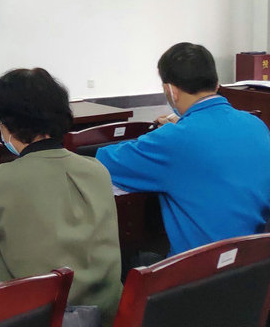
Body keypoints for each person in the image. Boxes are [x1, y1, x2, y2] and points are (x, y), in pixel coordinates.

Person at [0, 68, 122, 325]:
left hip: (40, 317)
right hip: (107, 315)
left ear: (8, 125)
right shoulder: (96, 170)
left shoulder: (2, 180)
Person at [97, 42, 270, 257]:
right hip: (252, 264)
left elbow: (103, 163)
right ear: (216, 83)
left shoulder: (174, 139)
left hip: (196, 271)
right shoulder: (257, 126)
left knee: (128, 259)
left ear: (171, 90)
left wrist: (168, 134)